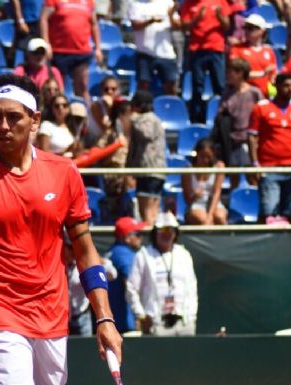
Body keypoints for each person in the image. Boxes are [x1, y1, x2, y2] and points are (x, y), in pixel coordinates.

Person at [0, 74, 122, 385]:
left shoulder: (65, 173)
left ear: (35, 120)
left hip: (53, 318)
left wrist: (104, 317)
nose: (3, 126)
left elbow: (86, 252)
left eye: (13, 117)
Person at [125, 212, 198, 336]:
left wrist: (191, 316)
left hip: (184, 322)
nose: (166, 234)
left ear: (176, 233)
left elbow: (192, 287)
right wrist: (142, 316)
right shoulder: (143, 255)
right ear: (155, 232)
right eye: (162, 230)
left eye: (171, 230)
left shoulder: (184, 254)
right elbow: (131, 288)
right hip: (156, 323)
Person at [248, 72, 291, 225]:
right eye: (286, 86)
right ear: (276, 86)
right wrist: (255, 164)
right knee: (269, 212)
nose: (289, 89)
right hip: (270, 167)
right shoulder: (262, 108)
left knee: (289, 213)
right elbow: (252, 137)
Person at [40, 0, 103, 104]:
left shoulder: (89, 2)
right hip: (59, 52)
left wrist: (98, 48)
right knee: (57, 89)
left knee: (82, 87)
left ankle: (86, 115)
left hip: (82, 52)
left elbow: (94, 24)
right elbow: (44, 19)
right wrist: (46, 44)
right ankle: (56, 115)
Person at [212, 58, 262, 187]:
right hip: (232, 141)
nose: (228, 75)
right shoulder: (227, 94)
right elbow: (220, 116)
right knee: (234, 178)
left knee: (252, 177)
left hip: (249, 142)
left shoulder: (255, 93)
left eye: (230, 72)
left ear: (240, 73)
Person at [181, 0, 231, 122]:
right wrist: (197, 18)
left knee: (219, 86)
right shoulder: (188, 4)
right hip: (197, 50)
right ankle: (197, 120)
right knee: (197, 87)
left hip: (216, 49)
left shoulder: (220, 2)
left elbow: (227, 26)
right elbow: (184, 26)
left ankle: (222, 119)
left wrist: (219, 16)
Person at [126, 90, 166, 226]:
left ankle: (149, 241)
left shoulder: (148, 118)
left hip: (150, 170)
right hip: (150, 171)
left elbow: (146, 134)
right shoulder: (151, 119)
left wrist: (133, 119)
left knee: (147, 212)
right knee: (150, 212)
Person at [128, 0, 180, 95]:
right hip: (144, 52)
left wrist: (171, 15)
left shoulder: (168, 3)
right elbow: (135, 25)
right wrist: (151, 21)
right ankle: (141, 108)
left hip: (166, 53)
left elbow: (177, 26)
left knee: (170, 86)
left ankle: (171, 107)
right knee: (143, 85)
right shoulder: (135, 4)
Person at [105, 217, 145, 333]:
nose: (141, 238)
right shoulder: (123, 253)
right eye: (137, 234)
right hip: (126, 322)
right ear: (127, 237)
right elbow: (130, 282)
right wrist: (138, 314)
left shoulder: (113, 251)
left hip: (114, 320)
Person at [229, 14, 277, 98]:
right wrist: (262, 73)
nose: (247, 31)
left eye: (251, 28)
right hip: (243, 96)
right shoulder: (237, 49)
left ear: (262, 31)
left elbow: (273, 75)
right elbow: (237, 73)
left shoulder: (269, 51)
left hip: (263, 96)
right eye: (246, 28)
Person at [182, 138, 227, 225]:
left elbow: (216, 192)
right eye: (202, 156)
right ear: (196, 154)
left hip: (214, 203)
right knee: (203, 220)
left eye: (209, 157)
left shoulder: (219, 167)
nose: (205, 160)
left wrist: (210, 214)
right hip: (195, 204)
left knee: (220, 217)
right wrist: (195, 195)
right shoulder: (187, 171)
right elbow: (187, 200)